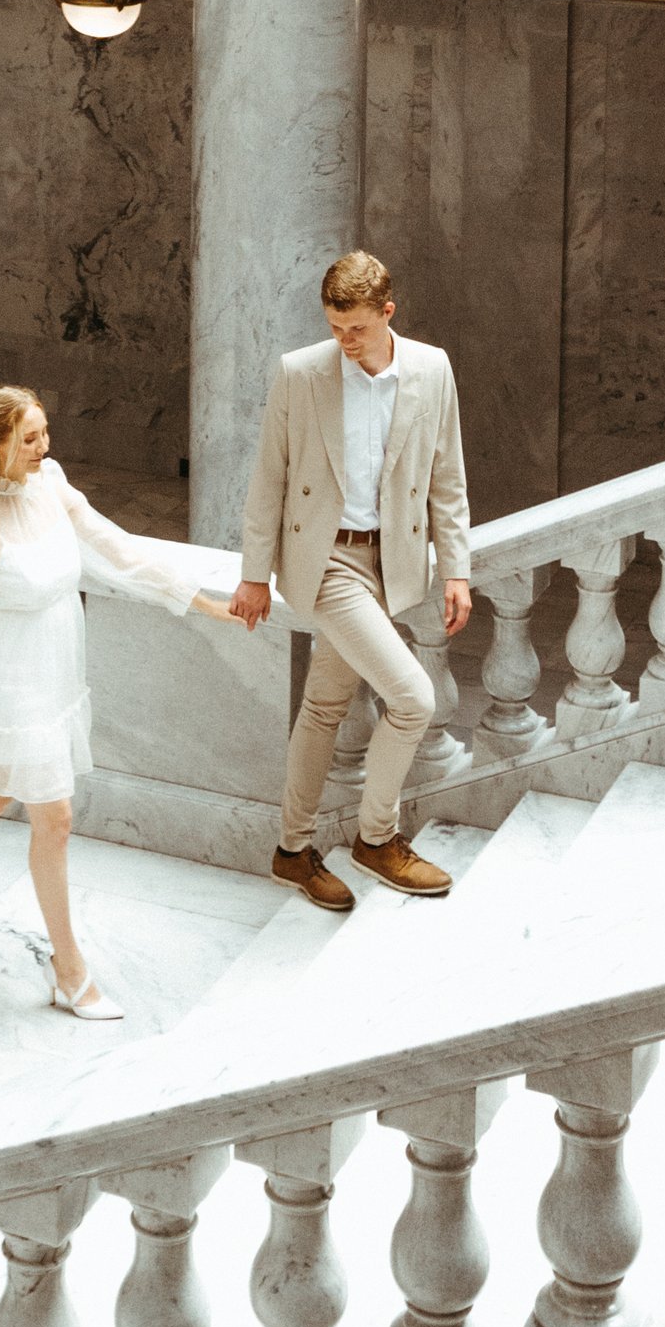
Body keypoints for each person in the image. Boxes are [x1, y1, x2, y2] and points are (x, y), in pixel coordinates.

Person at [0, 381, 230, 1019]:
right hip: (8, 687)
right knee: (57, 819)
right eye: (29, 439)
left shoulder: (51, 485)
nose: (43, 448)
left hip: (54, 677)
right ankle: (69, 970)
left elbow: (115, 546)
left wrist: (196, 599)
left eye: (45, 433)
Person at [231, 249, 472, 907]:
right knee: (413, 699)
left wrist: (457, 569)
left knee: (326, 706)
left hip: (389, 561)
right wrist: (255, 574)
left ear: (387, 313)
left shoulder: (430, 369)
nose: (344, 340)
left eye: (357, 328)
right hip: (327, 560)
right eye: (335, 327)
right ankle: (376, 838)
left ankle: (292, 850)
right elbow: (269, 478)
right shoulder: (302, 373)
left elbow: (447, 480)